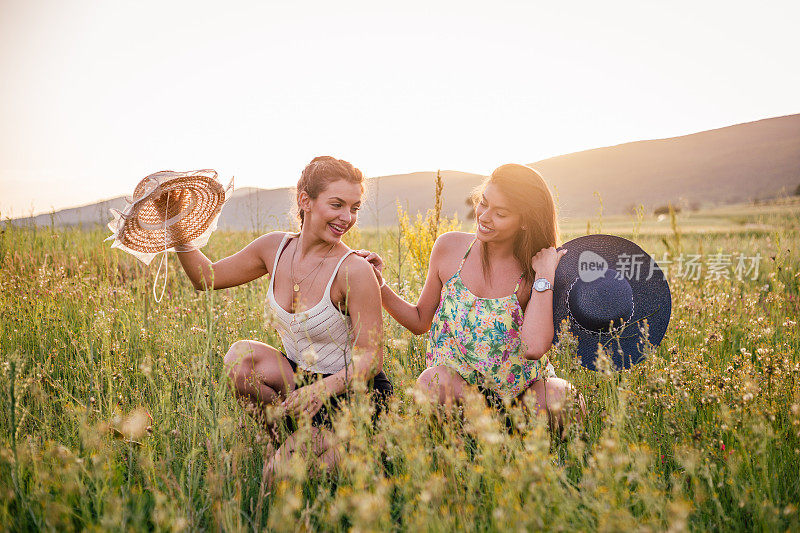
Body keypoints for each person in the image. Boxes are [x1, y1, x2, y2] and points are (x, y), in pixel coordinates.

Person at [174, 156, 392, 477]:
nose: (347, 217)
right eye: (337, 205)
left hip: (354, 396)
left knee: (275, 477)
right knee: (240, 358)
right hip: (302, 382)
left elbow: (371, 359)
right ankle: (283, 440)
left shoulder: (354, 270)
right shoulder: (274, 247)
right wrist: (175, 225)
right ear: (306, 200)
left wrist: (321, 390)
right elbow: (207, 278)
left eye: (355, 207)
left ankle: (344, 449)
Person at [357, 163, 582, 428]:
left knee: (564, 396)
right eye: (483, 203)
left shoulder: (534, 269)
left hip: (522, 396)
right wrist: (379, 284)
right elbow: (420, 321)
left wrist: (544, 275)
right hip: (459, 394)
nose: (484, 216)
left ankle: (507, 440)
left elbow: (533, 348)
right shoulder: (449, 248)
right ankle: (496, 436)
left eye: (500, 213)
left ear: (524, 222)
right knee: (432, 381)